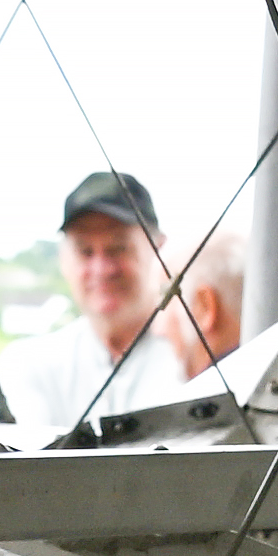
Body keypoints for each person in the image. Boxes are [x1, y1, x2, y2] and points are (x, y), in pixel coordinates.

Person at [34, 167, 240, 436]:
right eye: (85, 251)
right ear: (63, 260)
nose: (102, 269)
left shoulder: (197, 357)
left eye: (119, 248)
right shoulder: (33, 365)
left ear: (159, 248)